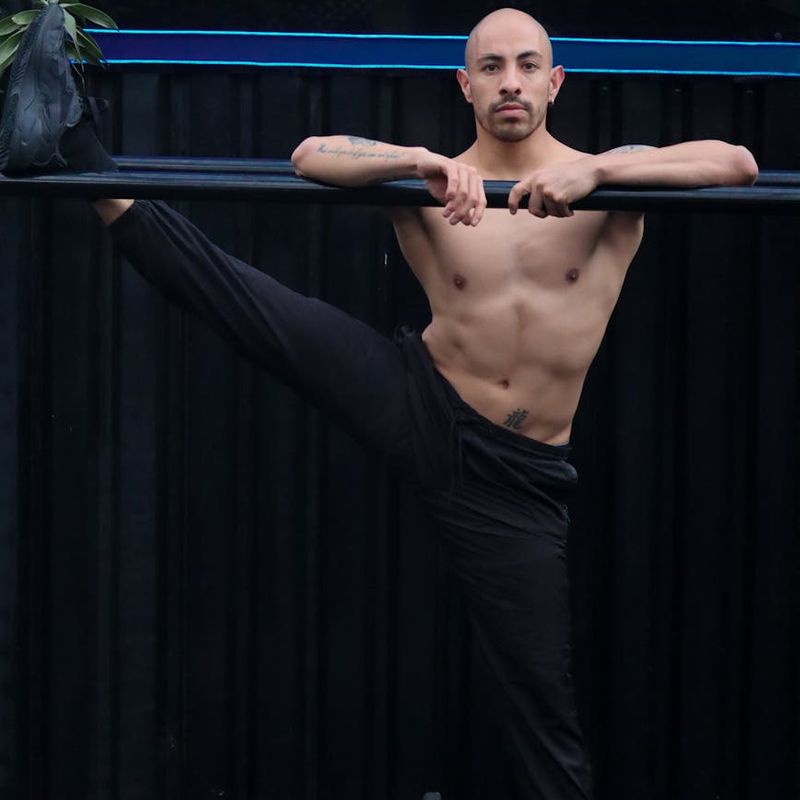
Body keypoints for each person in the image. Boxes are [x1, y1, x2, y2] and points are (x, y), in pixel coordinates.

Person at [0, 5, 758, 798]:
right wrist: (418, 159)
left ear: (554, 81)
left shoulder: (611, 177)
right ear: (465, 86)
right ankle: (73, 143)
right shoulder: (429, 178)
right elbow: (309, 156)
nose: (510, 82)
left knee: (542, 701)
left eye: (527, 65)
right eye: (492, 68)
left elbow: (734, 161)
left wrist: (596, 172)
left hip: (515, 477)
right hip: (418, 397)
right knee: (244, 304)